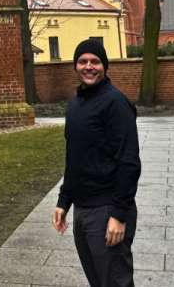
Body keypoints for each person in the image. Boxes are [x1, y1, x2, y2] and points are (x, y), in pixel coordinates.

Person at [52, 38, 141, 287]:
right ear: (75, 66)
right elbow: (75, 158)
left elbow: (129, 162)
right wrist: (63, 201)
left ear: (104, 66)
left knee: (114, 282)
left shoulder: (116, 103)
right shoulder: (76, 104)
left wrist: (118, 215)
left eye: (95, 61)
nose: (88, 66)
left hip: (106, 209)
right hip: (82, 209)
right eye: (82, 61)